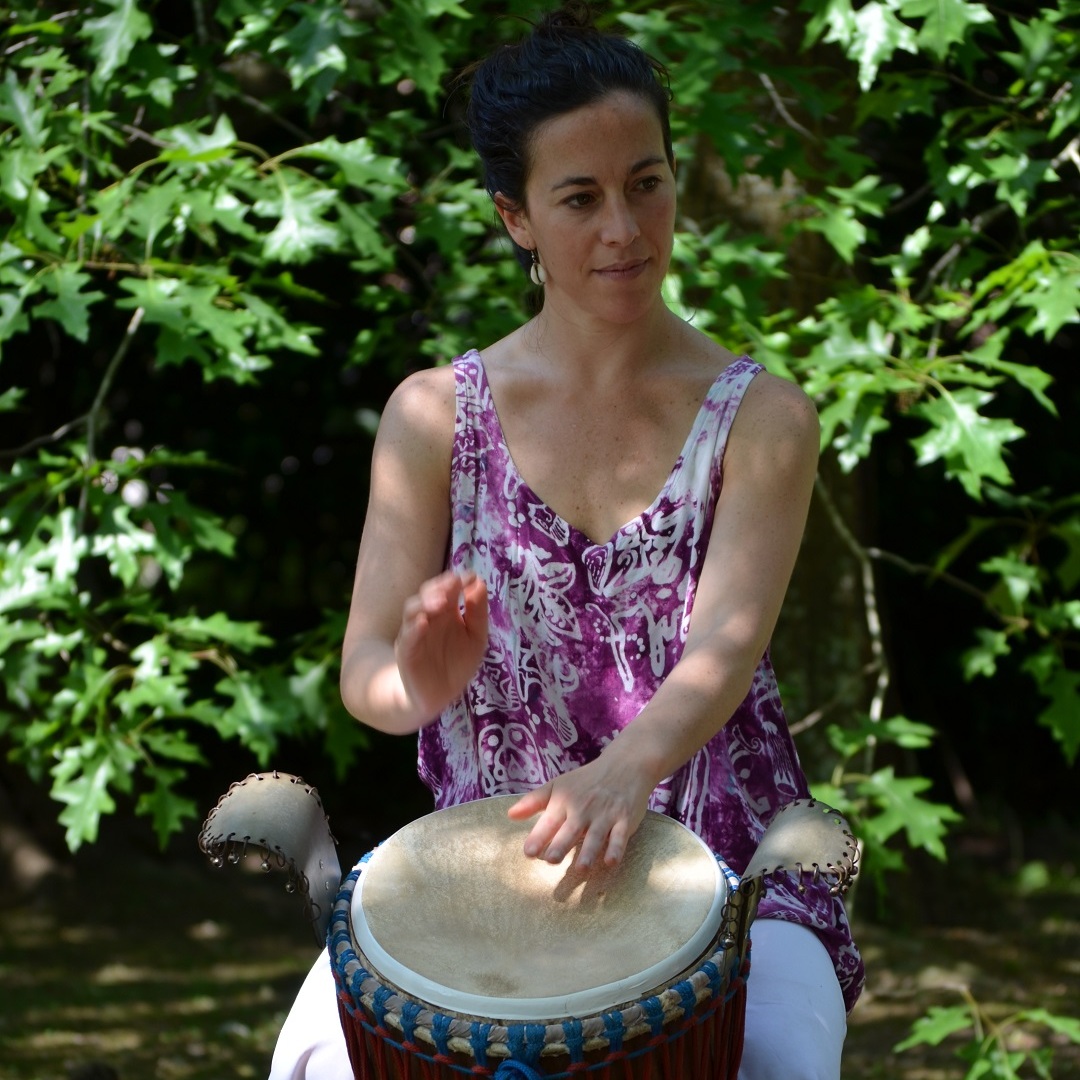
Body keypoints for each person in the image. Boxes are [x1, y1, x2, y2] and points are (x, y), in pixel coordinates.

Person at [269, 4, 864, 1078]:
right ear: (515, 218)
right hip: (483, 886)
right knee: (309, 1062)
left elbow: (724, 649)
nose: (624, 231)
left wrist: (625, 771)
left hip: (727, 871)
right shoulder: (433, 417)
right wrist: (415, 681)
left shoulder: (764, 418)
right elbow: (367, 678)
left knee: (778, 1058)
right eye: (580, 198)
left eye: (647, 182)